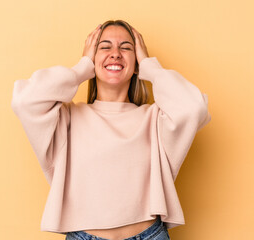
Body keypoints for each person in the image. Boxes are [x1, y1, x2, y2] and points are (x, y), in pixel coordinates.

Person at [11, 20, 211, 240]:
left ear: (136, 65)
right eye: (105, 47)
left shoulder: (155, 119)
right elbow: (25, 101)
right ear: (92, 60)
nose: (115, 53)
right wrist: (81, 68)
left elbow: (193, 107)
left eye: (126, 48)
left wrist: (150, 67)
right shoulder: (66, 119)